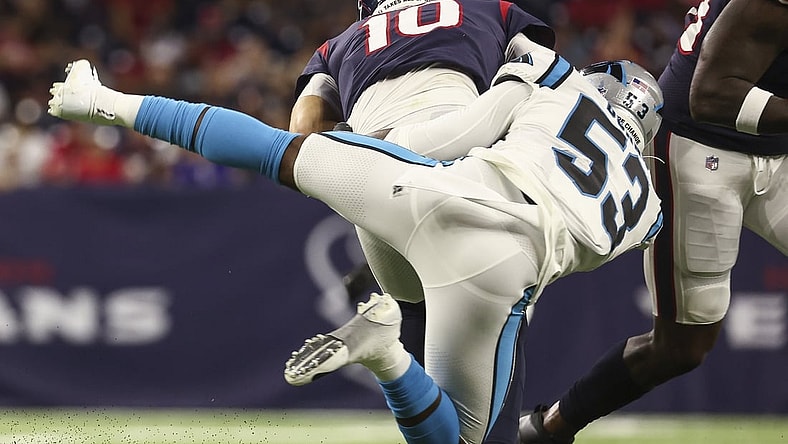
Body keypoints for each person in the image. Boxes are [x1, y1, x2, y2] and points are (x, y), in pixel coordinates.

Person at [47, 37, 663, 442]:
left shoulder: (560, 88)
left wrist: (367, 154)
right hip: (498, 275)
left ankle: (103, 101)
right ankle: (386, 356)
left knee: (273, 150)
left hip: (431, 192)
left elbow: (480, 118)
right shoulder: (649, 212)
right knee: (460, 438)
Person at [518, 0, 788, 442]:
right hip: (703, 150)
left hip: (778, 147)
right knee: (679, 348)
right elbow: (713, 95)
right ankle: (548, 429)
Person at [288, 0, 555, 371]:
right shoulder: (492, 9)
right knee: (501, 313)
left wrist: (355, 143)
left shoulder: (336, 46)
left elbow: (303, 133)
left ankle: (384, 343)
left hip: (377, 167)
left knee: (412, 316)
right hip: (460, 150)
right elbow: (545, 77)